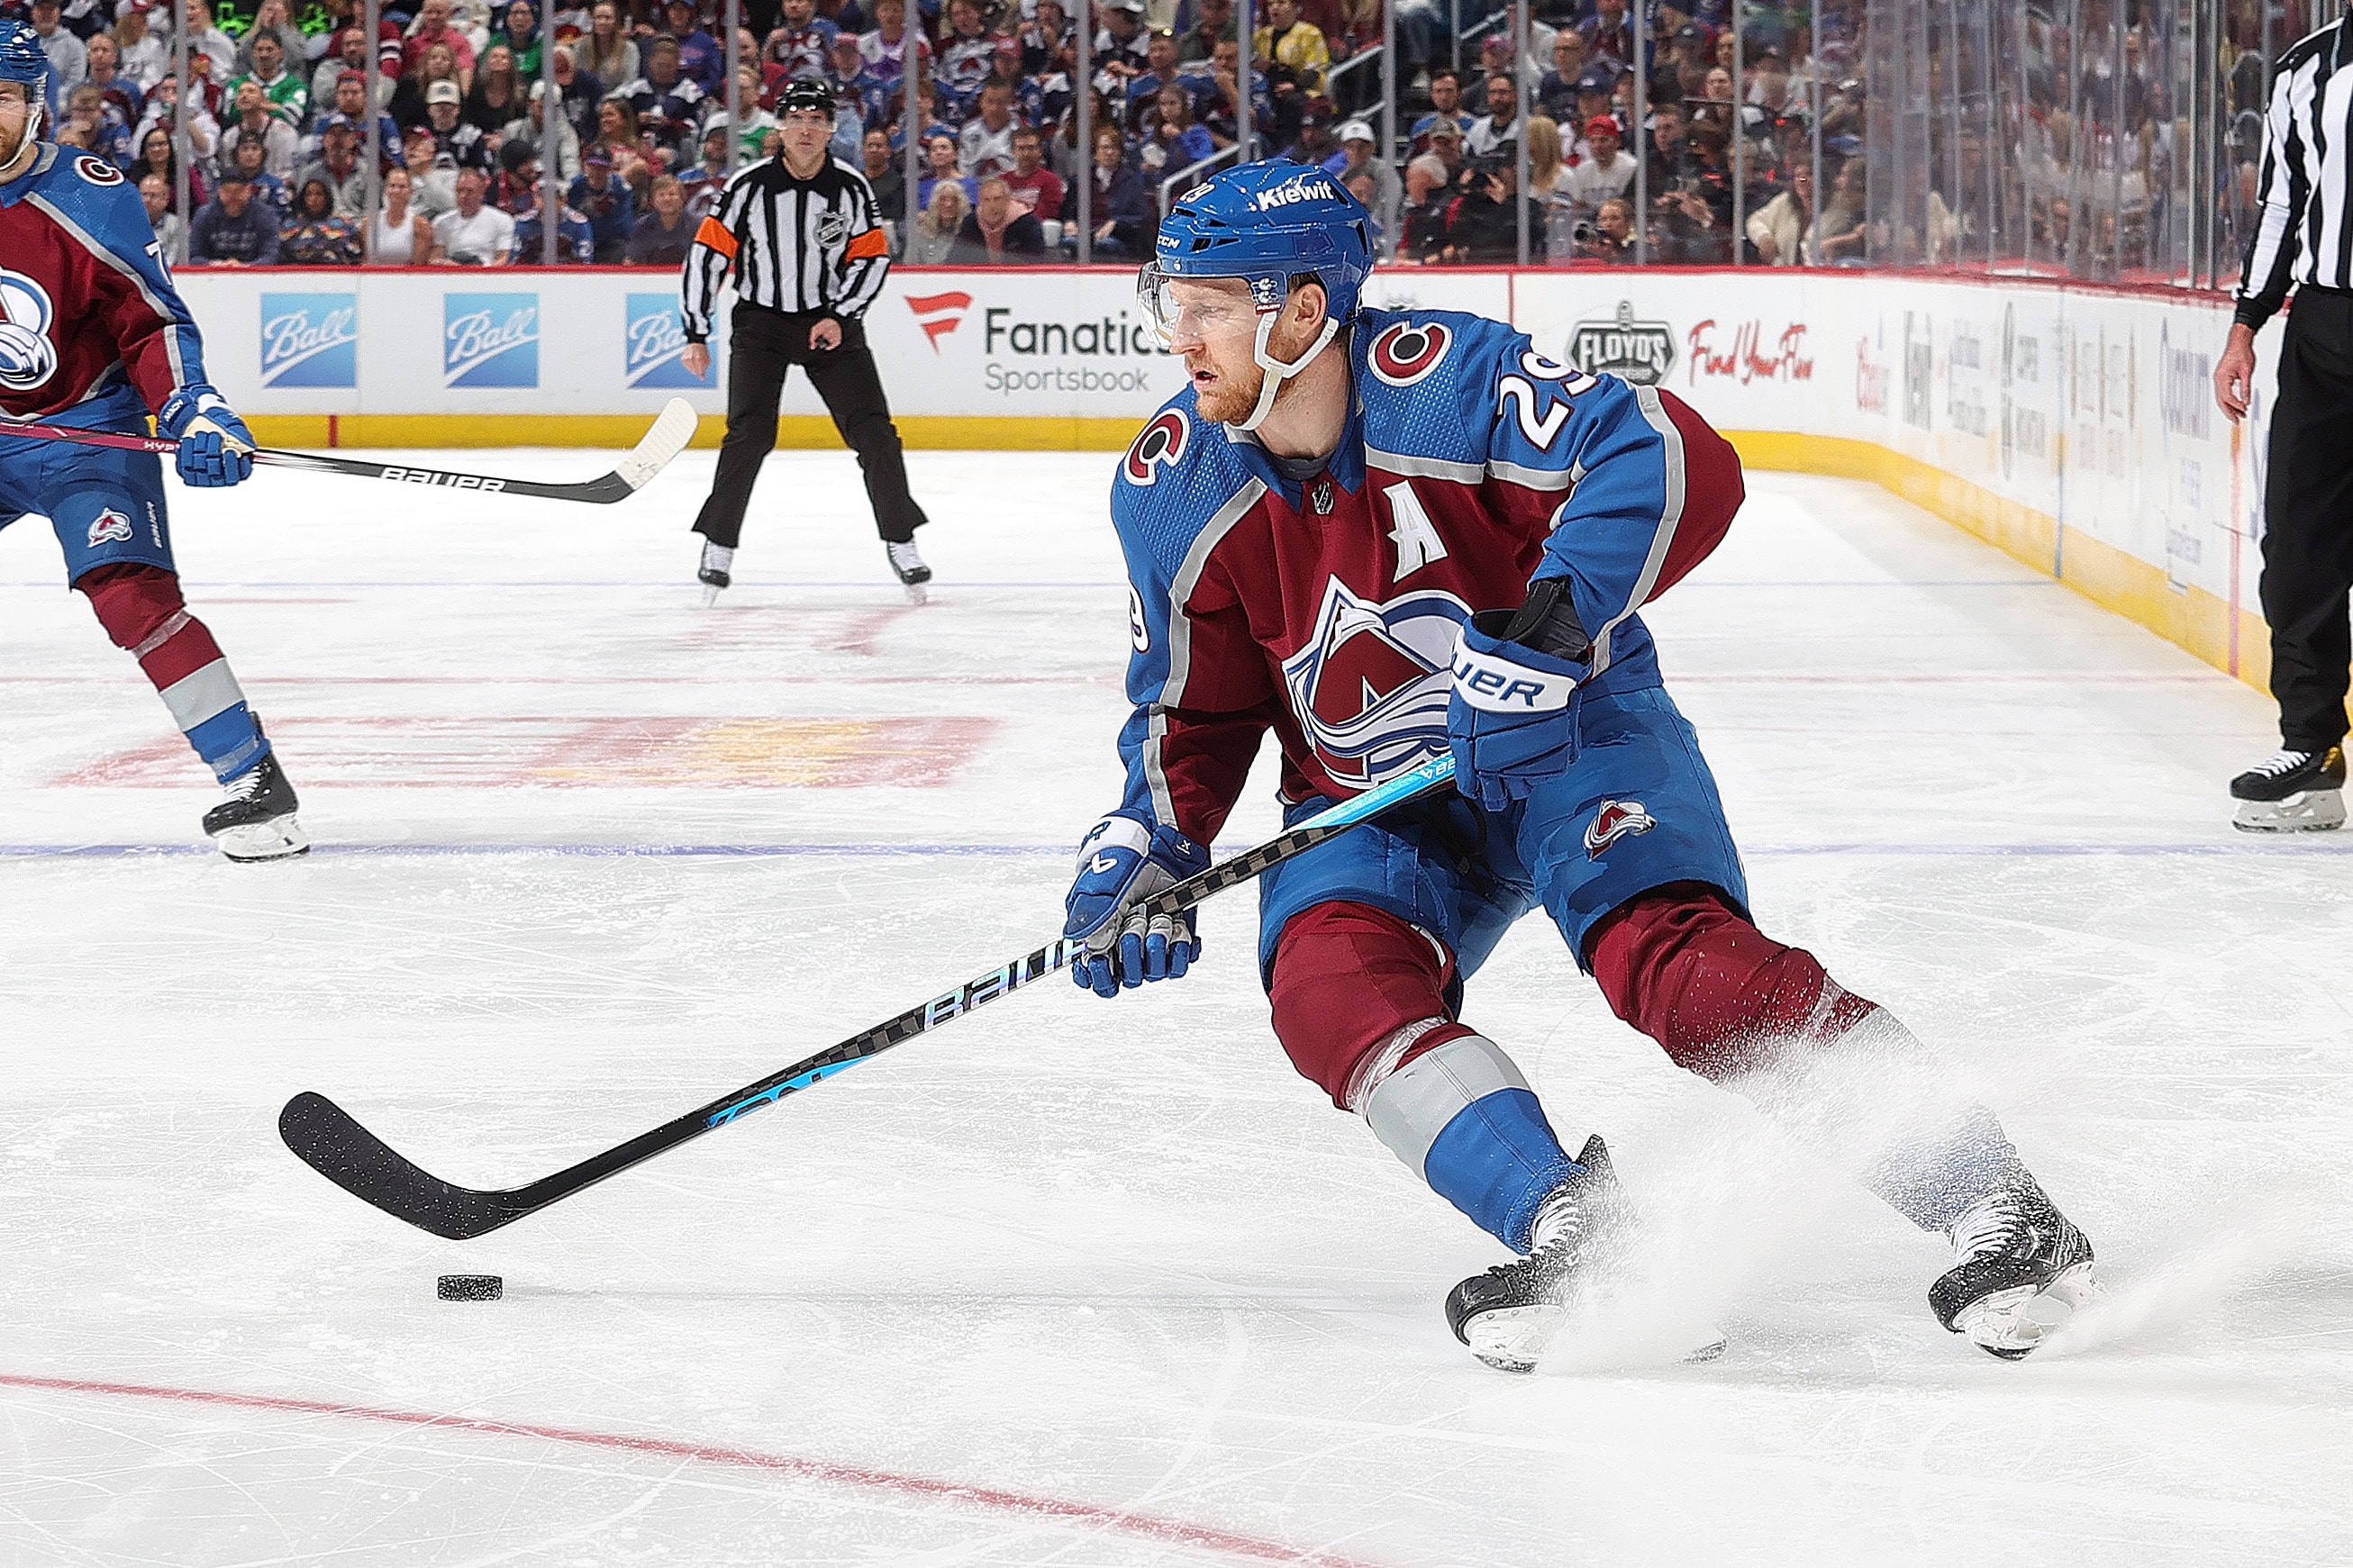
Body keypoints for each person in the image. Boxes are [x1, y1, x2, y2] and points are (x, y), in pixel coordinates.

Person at [1065, 161, 2102, 1373]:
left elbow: (1668, 455)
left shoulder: (1443, 383)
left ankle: (1996, 1200)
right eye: (1172, 303)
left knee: (1678, 971)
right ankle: (1579, 1228)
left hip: (1569, 734)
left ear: (1302, 311)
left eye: (1211, 305)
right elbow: (1188, 710)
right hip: (1370, 798)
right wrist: (1147, 845)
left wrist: (1548, 634)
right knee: (1327, 990)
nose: (1179, 334)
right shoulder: (1171, 483)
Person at [0, 26, 304, 859]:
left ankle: (252, 778)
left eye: (0, 97)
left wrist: (193, 408)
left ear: (37, 108)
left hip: (83, 430)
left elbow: (150, 324)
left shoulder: (88, 195)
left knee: (131, 596)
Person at [680, 78, 931, 603]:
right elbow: (707, 255)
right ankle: (718, 545)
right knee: (749, 435)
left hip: (829, 322)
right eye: (797, 118)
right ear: (781, 126)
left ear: (831, 128)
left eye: (817, 120)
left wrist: (842, 314)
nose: (807, 129)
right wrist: (696, 331)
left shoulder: (852, 188)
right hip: (762, 324)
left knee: (875, 434)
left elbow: (872, 257)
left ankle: (901, 540)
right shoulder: (748, 186)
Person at [2212, 10, 2353, 833]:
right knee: (2299, 542)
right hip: (2325, 331)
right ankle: (2312, 748)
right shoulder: (2305, 68)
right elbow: (2282, 204)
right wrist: (2245, 325)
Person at [187, 168, 281, 263]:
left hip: (253, 274)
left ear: (248, 190)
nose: (233, 196)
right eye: (227, 191)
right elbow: (194, 255)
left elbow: (270, 255)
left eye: (238, 191)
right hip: (212, 274)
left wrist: (245, 267)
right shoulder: (204, 215)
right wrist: (217, 265)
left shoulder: (266, 215)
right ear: (220, 191)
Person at [948, 173, 1043, 264]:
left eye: (997, 199)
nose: (992, 206)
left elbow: (1035, 259)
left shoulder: (1027, 223)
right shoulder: (971, 222)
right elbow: (955, 259)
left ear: (1008, 200)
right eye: (986, 200)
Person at [429, 163, 513, 262]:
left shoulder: (502, 219)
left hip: (486, 272)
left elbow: (503, 258)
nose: (463, 196)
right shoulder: (441, 222)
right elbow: (436, 256)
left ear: (481, 193)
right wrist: (444, 263)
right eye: (460, 191)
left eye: (469, 191)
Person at [568, 145, 633, 260]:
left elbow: (625, 222)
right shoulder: (573, 187)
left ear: (609, 169)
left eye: (602, 167)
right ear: (584, 165)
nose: (596, 171)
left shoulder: (620, 187)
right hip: (582, 242)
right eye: (591, 166)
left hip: (612, 242)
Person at [279, 174, 361, 263]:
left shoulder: (345, 224)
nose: (313, 199)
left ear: (327, 197)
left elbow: (355, 256)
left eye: (319, 194)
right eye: (309, 194)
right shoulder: (290, 225)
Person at [368, 162, 432, 260]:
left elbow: (419, 265)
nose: (396, 191)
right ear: (386, 189)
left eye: (402, 187)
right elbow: (365, 261)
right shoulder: (369, 223)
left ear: (410, 191)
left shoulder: (420, 225)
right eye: (392, 186)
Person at [627, 169, 695, 263]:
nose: (667, 199)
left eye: (672, 194)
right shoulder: (641, 226)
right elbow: (632, 260)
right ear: (653, 201)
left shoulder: (697, 226)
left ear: (682, 198)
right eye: (661, 195)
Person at [908, 174, 966, 262]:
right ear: (935, 203)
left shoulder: (967, 232)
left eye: (954, 200)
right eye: (942, 199)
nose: (948, 204)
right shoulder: (920, 231)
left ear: (961, 204)